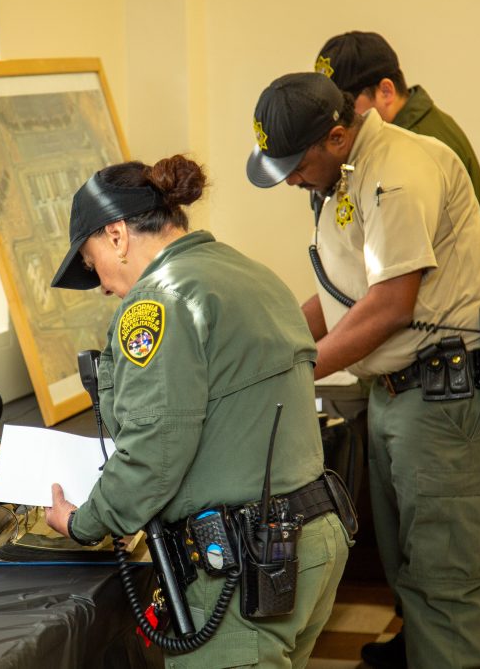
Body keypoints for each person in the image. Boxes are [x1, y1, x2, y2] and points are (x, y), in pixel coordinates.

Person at [246, 73, 480, 669]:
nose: (290, 178)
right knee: (407, 571)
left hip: (450, 401)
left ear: (338, 136)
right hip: (402, 395)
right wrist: (267, 352)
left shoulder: (397, 172)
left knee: (444, 584)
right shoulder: (347, 174)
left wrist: (294, 375)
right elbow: (341, 295)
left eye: (295, 164)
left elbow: (391, 305)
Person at [44, 155, 350, 667]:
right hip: (311, 543)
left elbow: (153, 450)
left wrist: (84, 521)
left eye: (93, 261)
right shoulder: (252, 274)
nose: (100, 284)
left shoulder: (157, 303)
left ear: (117, 235)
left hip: (245, 565)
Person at [314, 30, 480, 304]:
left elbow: (394, 294)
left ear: (386, 91)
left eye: (348, 107)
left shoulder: (418, 147)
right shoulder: (389, 145)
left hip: (462, 330)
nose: (340, 123)